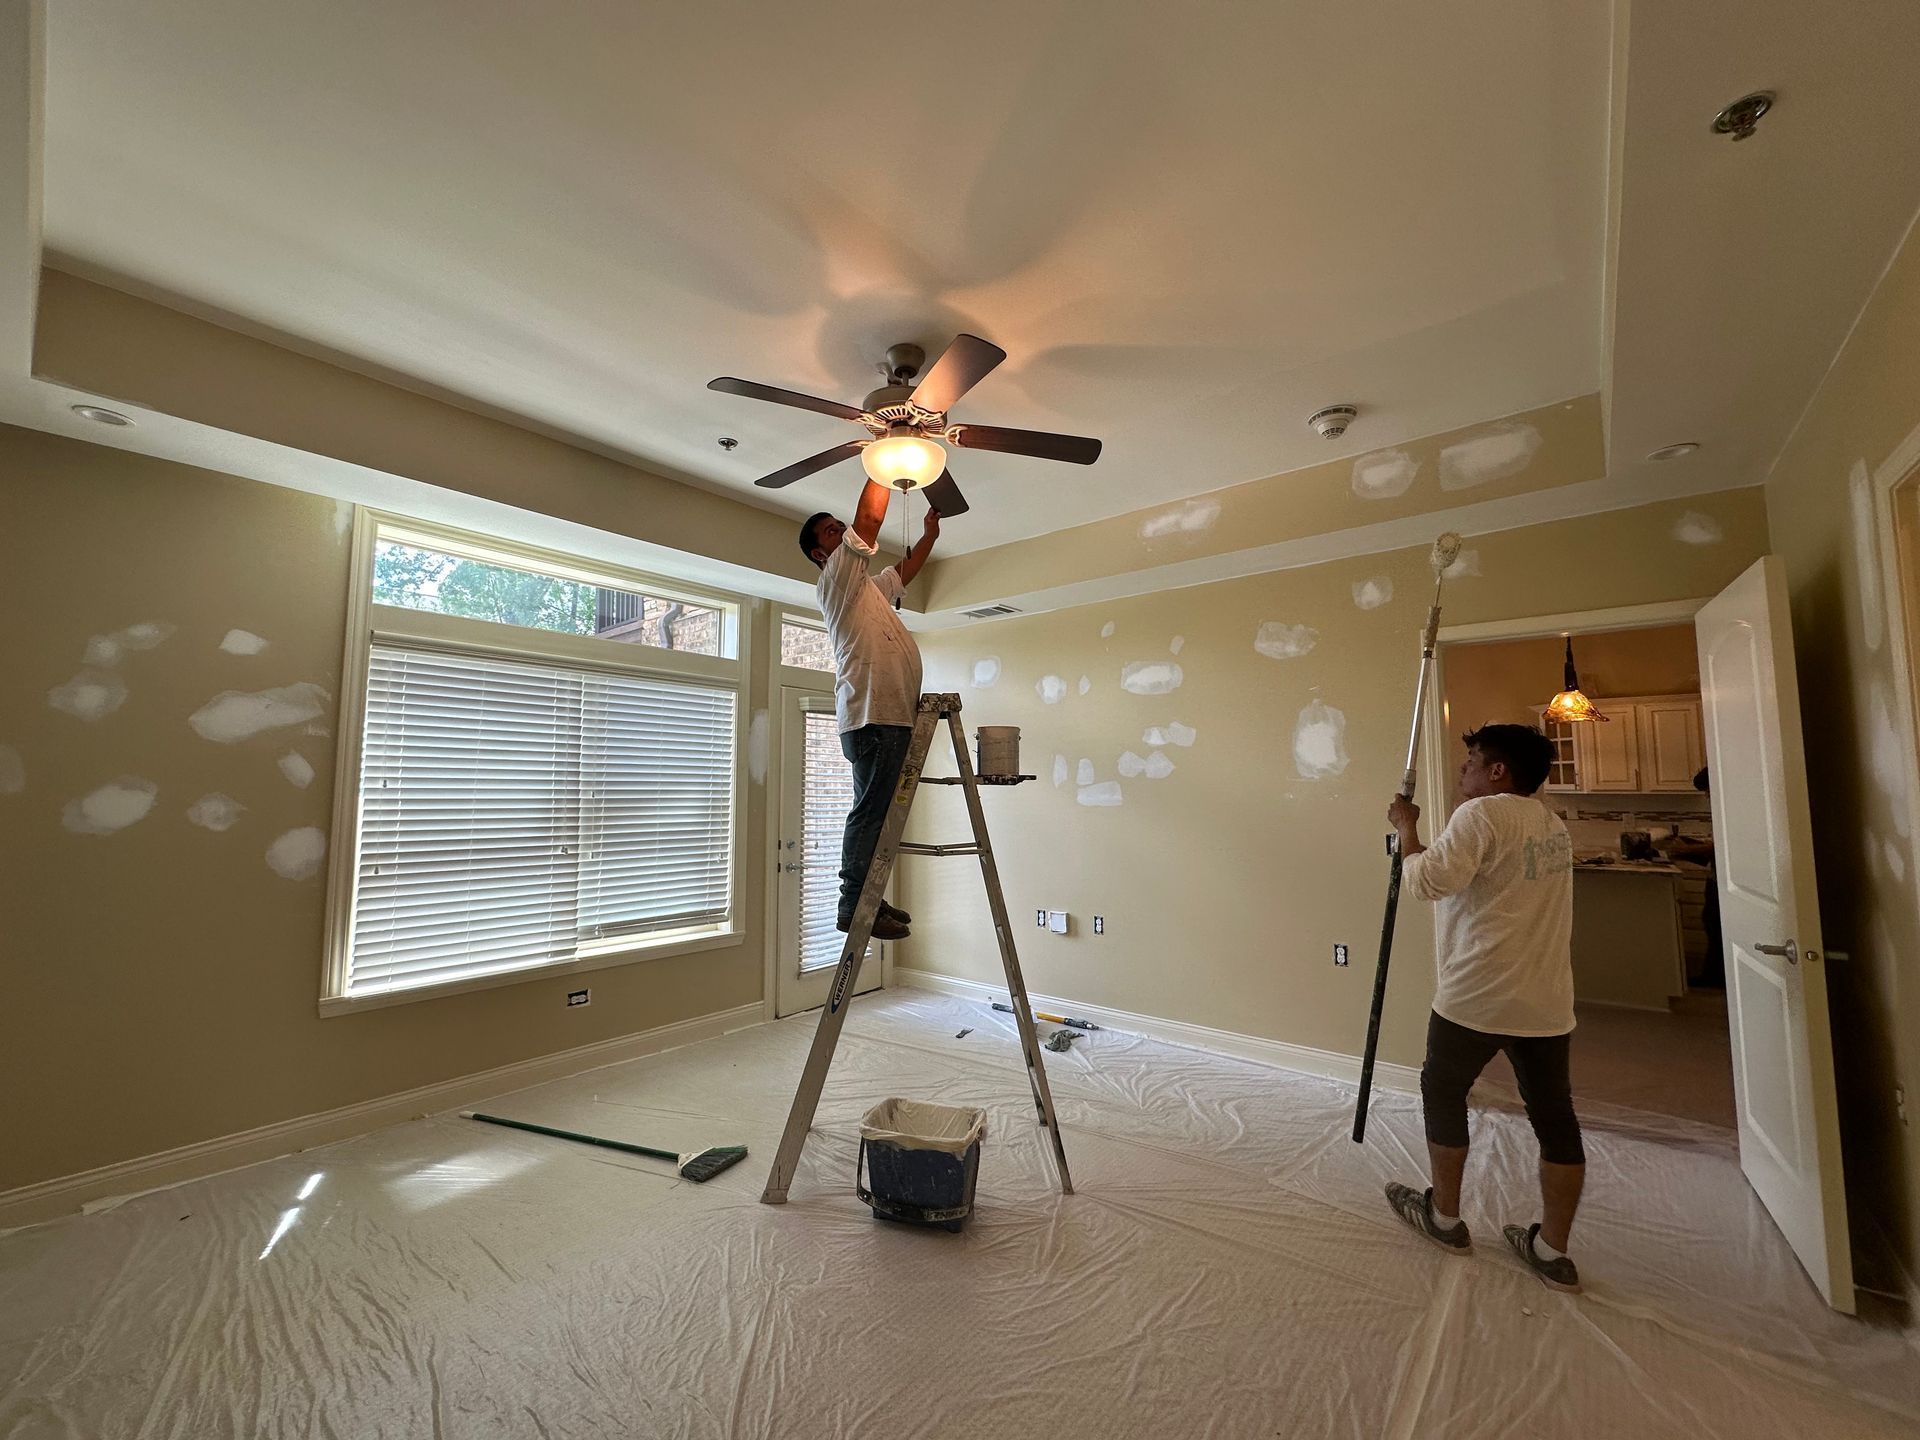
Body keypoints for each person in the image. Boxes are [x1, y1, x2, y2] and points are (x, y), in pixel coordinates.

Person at [1382, 723, 1586, 1293]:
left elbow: (1427, 882)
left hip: (1477, 994)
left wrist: (1406, 827)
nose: (1463, 769)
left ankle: (1444, 1219)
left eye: (1471, 760)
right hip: (1545, 999)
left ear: (1497, 771)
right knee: (1555, 1116)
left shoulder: (1480, 815)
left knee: (1443, 1092)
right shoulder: (1551, 824)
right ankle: (1553, 1251)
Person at [800, 482, 941, 942]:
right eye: (831, 531)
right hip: (873, 715)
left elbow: (903, 573)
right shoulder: (836, 578)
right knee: (870, 813)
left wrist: (929, 535)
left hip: (888, 715)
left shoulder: (867, 590)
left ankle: (868, 898)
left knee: (878, 813)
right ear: (822, 554)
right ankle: (854, 903)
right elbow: (869, 521)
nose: (839, 529)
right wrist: (883, 462)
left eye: (837, 525)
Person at [1655, 767, 1722, 988]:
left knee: (1715, 926)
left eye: (1708, 791)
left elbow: (1723, 846)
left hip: (1722, 882)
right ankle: (1716, 975)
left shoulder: (1731, 806)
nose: (1707, 796)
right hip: (1717, 877)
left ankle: (1715, 978)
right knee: (1712, 925)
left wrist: (1687, 850)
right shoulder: (1727, 806)